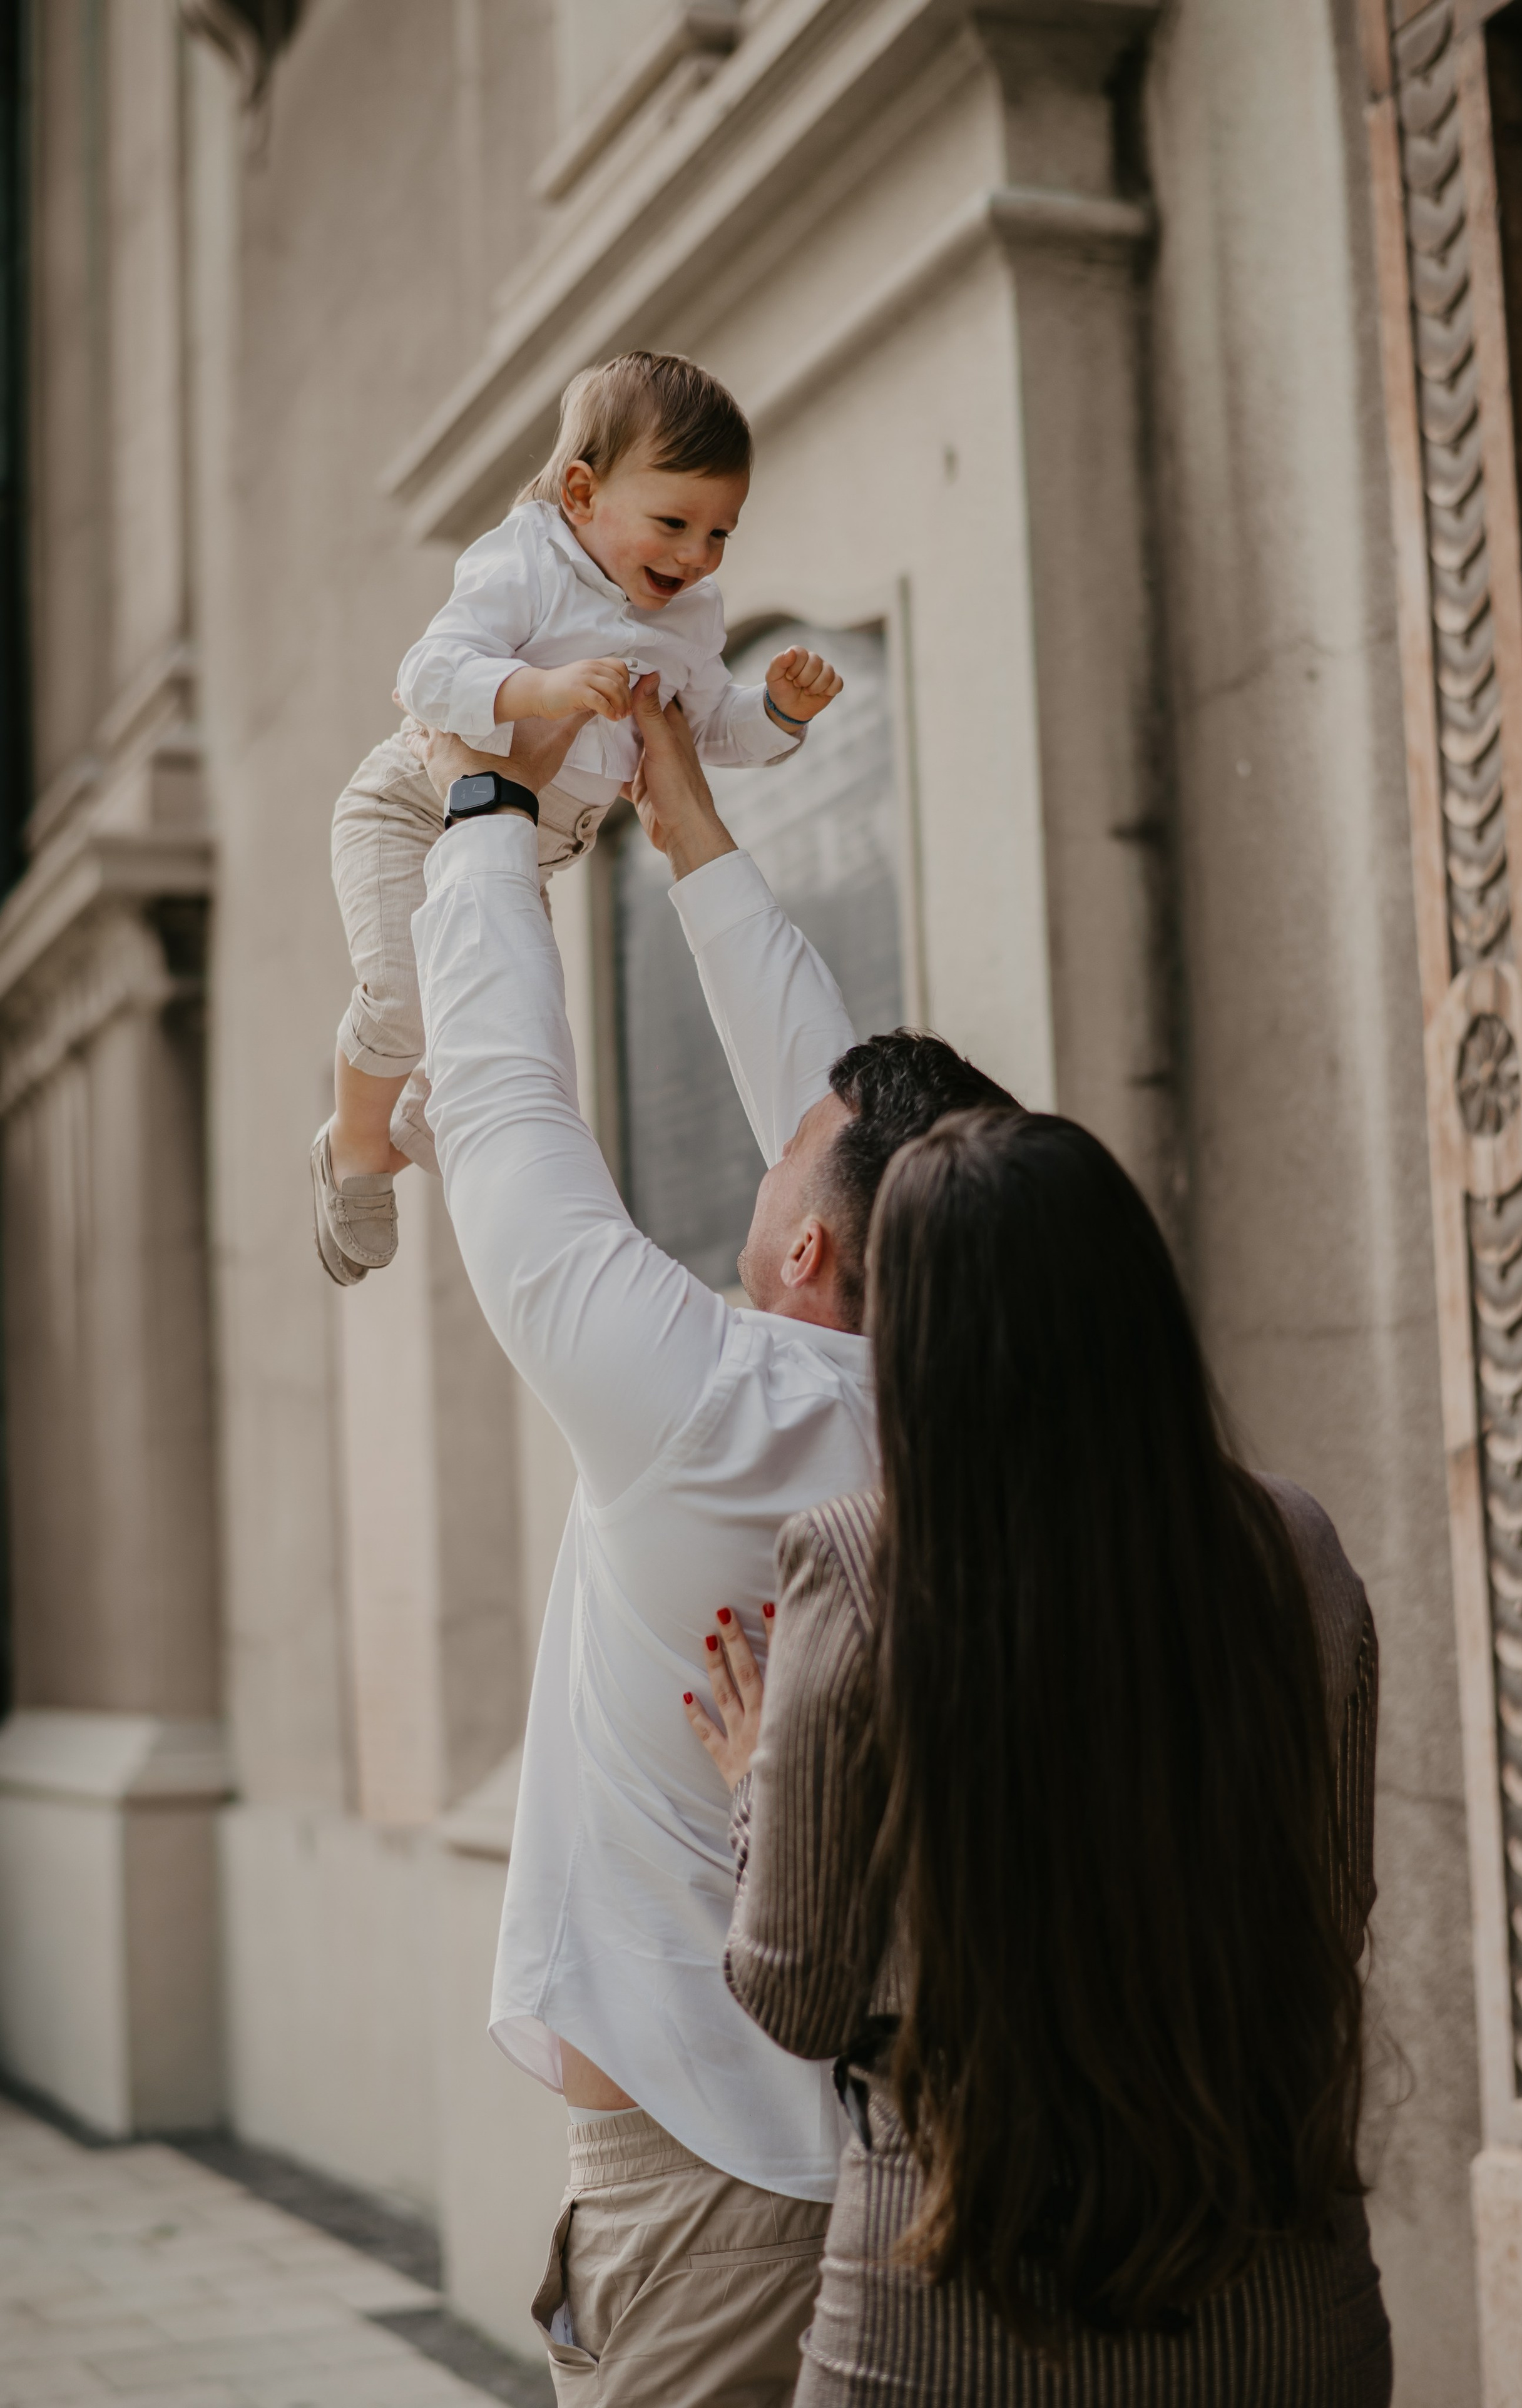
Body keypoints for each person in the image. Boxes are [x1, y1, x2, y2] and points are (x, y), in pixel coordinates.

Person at [407, 681, 1018, 2404]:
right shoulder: (981, 1413)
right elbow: (849, 1124)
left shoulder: (710, 1409)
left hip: (713, 2196)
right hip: (901, 2149)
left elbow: (510, 1126)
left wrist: (481, 818)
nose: (777, 1148)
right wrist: (688, 829)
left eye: (798, 1163)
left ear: (814, 1256)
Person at [690, 1109, 1392, 2405]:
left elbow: (793, 1991)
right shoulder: (1294, 1551)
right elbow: (1331, 1910)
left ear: (920, 1348)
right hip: (1281, 2299)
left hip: (945, 2307)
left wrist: (753, 1796)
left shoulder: (854, 1566)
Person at [312, 349, 842, 1282]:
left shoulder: (693, 617)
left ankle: (412, 1119)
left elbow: (705, 731)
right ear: (582, 492)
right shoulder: (528, 558)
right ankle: (354, 1150)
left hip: (523, 847)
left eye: (720, 532)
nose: (695, 555)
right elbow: (424, 674)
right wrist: (541, 688)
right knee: (404, 998)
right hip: (413, 807)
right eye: (674, 522)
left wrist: (778, 714)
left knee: (505, 1015)